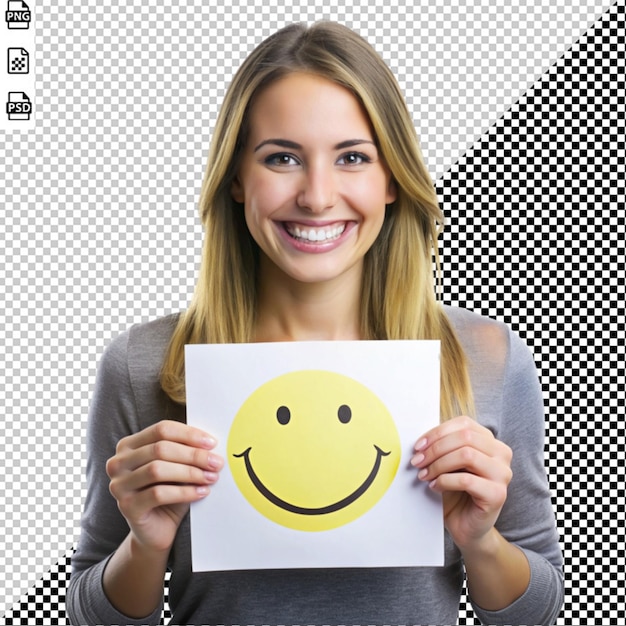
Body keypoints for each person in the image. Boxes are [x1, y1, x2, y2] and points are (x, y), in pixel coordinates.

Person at [66, 21, 564, 626]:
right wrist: (145, 543)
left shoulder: (486, 356)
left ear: (391, 180)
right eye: (282, 158)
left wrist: (481, 539)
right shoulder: (144, 365)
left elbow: (533, 612)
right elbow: (90, 615)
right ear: (234, 180)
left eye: (352, 157)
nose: (318, 196)